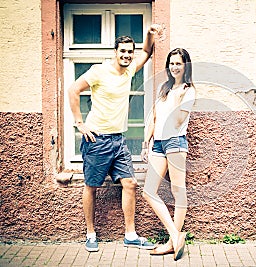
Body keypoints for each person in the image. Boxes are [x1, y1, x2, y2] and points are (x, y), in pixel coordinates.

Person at [68, 24, 162, 252]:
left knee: (129, 184)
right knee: (91, 186)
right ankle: (90, 233)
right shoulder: (99, 71)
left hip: (118, 140)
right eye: (123, 51)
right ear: (115, 51)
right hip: (97, 139)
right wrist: (80, 123)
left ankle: (130, 234)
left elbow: (147, 53)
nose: (127, 55)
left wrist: (149, 35)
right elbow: (73, 90)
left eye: (130, 52)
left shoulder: (129, 70)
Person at [141, 48, 196, 261]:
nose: (174, 67)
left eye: (178, 64)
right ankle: (175, 236)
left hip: (175, 142)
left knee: (177, 190)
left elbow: (176, 122)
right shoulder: (163, 88)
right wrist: (146, 142)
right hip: (158, 144)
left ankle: (171, 243)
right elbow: (154, 117)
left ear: (185, 66)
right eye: (171, 63)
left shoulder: (189, 91)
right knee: (149, 191)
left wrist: (177, 99)